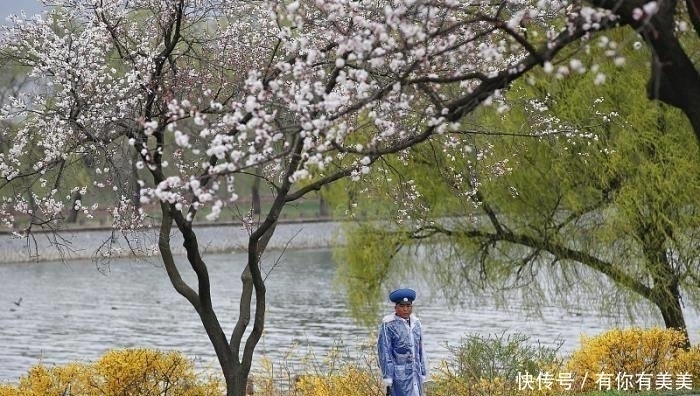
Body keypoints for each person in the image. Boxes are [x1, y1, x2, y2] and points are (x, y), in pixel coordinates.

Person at [377, 288, 428, 396]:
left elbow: (420, 350)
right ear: (395, 307)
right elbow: (385, 352)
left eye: (408, 306)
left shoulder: (416, 324)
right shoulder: (389, 325)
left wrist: (423, 371)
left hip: (416, 374)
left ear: (411, 307)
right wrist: (388, 377)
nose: (405, 309)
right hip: (398, 376)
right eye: (402, 306)